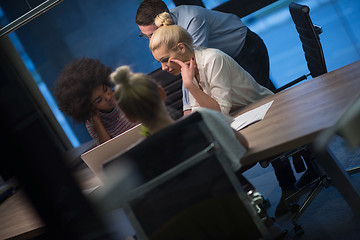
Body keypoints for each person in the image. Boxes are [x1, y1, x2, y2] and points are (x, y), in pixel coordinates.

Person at [110, 65, 287, 239]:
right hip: (237, 222)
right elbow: (242, 146)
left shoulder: (131, 164)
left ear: (129, 116)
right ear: (161, 92)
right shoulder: (204, 119)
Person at [148, 18, 298, 217]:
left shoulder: (212, 59)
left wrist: (190, 85)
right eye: (160, 62)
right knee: (213, 160)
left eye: (165, 59)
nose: (164, 68)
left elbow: (218, 112)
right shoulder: (188, 68)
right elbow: (198, 113)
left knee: (221, 158)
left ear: (181, 48)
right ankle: (253, 206)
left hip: (263, 110)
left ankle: (283, 191)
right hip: (239, 116)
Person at [136, 0, 275, 114]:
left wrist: (188, 111)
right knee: (240, 108)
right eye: (145, 36)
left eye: (152, 35)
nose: (150, 40)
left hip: (243, 47)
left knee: (263, 106)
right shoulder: (204, 60)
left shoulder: (192, 19)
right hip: (220, 58)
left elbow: (190, 62)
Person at [53, 57, 136, 145]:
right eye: (99, 100)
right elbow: (108, 149)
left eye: (105, 89)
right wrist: (97, 120)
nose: (108, 97)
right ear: (89, 106)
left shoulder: (124, 94)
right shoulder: (92, 123)